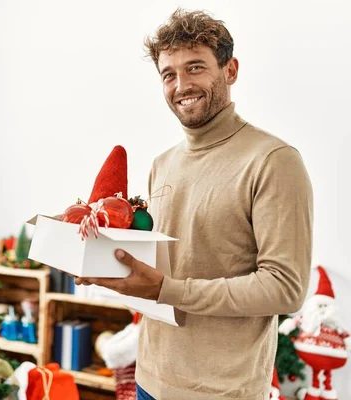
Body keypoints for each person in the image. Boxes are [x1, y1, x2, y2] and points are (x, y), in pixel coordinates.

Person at [76, 9, 314, 400]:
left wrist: (170, 289)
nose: (181, 84)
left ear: (230, 70)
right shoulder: (162, 164)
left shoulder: (273, 161)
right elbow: (162, 270)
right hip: (149, 379)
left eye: (195, 67)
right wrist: (101, 266)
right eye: (169, 74)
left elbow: (285, 288)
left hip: (222, 391)